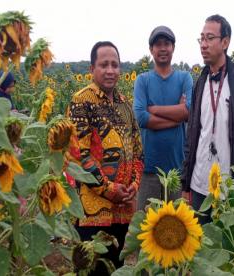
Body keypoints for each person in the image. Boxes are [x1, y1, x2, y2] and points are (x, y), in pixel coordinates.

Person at [68, 41, 144, 274]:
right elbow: (79, 156)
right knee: (94, 267)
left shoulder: (125, 105)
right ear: (92, 69)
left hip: (122, 209)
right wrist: (110, 189)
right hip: (93, 211)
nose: (110, 70)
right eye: (104, 65)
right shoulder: (82, 102)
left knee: (116, 265)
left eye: (115, 65)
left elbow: (138, 149)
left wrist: (133, 185)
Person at [181, 15, 234, 224]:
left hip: (232, 183)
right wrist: (185, 182)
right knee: (203, 248)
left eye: (209, 38)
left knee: (231, 247)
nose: (203, 44)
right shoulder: (200, 82)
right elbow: (192, 134)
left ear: (225, 42)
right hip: (200, 182)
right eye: (201, 39)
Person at [133, 26, 193, 210]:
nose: (163, 48)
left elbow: (189, 111)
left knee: (176, 229)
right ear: (151, 50)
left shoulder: (184, 78)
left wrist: (155, 109)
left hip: (176, 170)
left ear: (173, 47)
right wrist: (177, 116)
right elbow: (142, 118)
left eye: (166, 43)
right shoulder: (143, 80)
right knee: (145, 228)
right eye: (158, 44)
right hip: (148, 169)